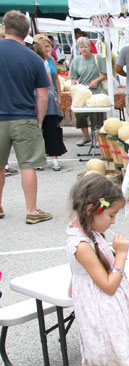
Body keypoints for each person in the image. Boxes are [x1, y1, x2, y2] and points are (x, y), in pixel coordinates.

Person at [67, 173, 129, 366]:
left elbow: (78, 277)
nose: (113, 222)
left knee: (120, 355)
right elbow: (108, 286)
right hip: (103, 311)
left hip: (106, 309)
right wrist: (121, 256)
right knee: (112, 362)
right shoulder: (81, 244)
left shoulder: (90, 234)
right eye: (111, 215)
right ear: (91, 210)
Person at [0, 10, 53, 224]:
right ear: (27, 32)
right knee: (27, 165)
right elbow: (43, 95)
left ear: (5, 28)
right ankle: (31, 210)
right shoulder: (34, 58)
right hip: (24, 116)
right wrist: (38, 121)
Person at [33, 34, 67, 171]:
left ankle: (53, 159)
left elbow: (54, 79)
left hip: (45, 96)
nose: (48, 48)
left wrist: (56, 96)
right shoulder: (38, 61)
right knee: (39, 130)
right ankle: (41, 159)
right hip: (39, 96)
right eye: (45, 46)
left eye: (49, 46)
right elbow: (46, 81)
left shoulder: (49, 60)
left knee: (49, 128)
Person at [69, 36, 107, 146]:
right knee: (80, 116)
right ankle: (86, 136)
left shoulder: (97, 58)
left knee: (96, 116)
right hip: (82, 91)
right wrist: (73, 91)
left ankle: (98, 138)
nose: (84, 49)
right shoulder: (76, 60)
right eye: (81, 47)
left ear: (90, 47)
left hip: (96, 91)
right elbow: (73, 77)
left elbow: (105, 74)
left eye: (86, 47)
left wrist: (96, 81)